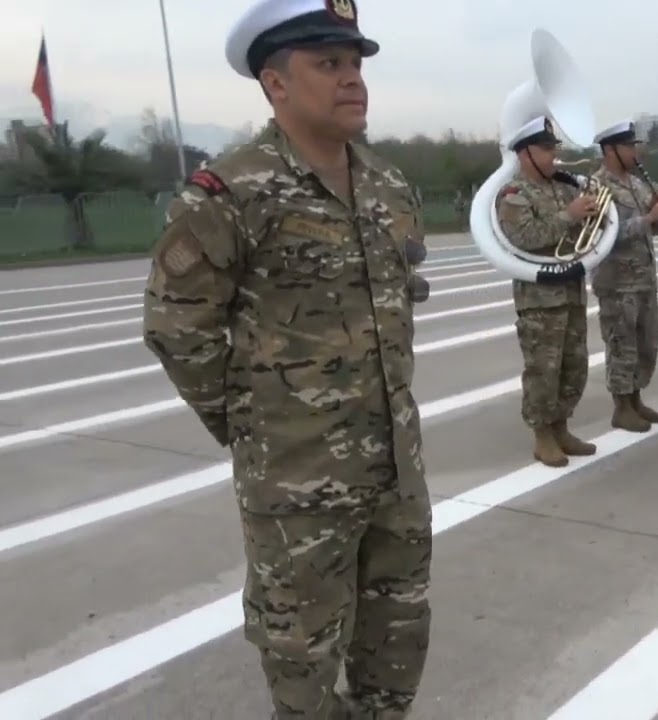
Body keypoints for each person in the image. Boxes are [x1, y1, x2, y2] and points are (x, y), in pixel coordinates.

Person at [142, 1, 432, 717]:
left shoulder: (390, 188)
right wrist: (256, 425)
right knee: (301, 666)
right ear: (274, 83)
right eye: (327, 64)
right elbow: (178, 326)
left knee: (395, 653)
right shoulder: (232, 191)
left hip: (397, 472)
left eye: (356, 64)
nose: (351, 80)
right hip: (297, 488)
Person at [496, 115, 599, 467]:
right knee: (544, 368)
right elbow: (523, 238)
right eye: (545, 149)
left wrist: (591, 213)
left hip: (571, 290)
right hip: (539, 300)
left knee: (575, 364)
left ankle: (562, 426)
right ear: (524, 153)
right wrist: (570, 216)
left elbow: (584, 229)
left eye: (553, 148)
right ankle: (542, 434)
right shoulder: (513, 194)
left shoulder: (565, 186)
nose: (553, 156)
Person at [590, 121, 658, 432]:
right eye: (628, 146)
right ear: (610, 150)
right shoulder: (597, 187)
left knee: (645, 344)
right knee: (621, 345)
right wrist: (647, 218)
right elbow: (604, 235)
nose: (634, 151)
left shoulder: (638, 185)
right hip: (617, 281)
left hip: (643, 278)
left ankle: (636, 398)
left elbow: (653, 228)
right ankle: (621, 406)